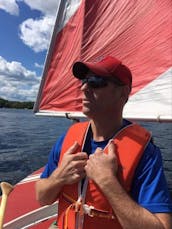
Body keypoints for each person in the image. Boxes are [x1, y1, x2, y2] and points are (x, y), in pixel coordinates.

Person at [35, 56, 172, 229]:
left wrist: (107, 182)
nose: (84, 87)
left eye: (96, 81)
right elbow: (42, 197)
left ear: (123, 93)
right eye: (84, 81)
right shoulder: (69, 139)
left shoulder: (146, 153)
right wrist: (58, 178)